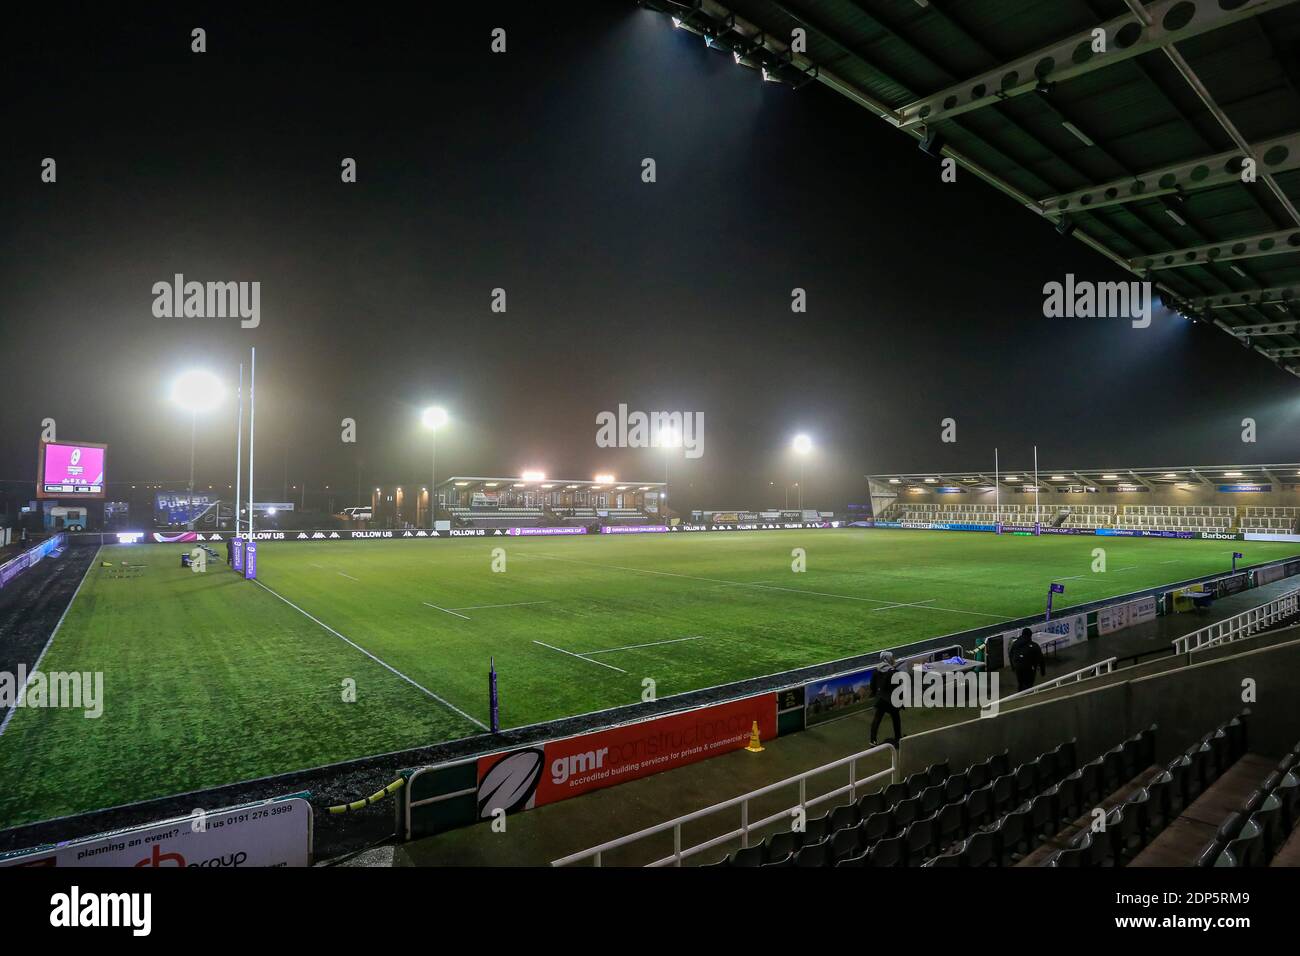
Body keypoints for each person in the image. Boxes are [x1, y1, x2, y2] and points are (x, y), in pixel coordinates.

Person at [869, 650, 903, 747]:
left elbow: (872, 686)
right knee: (896, 718)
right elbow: (898, 687)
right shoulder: (893, 671)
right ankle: (898, 738)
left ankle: (872, 740)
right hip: (891, 700)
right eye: (892, 658)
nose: (893, 660)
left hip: (880, 700)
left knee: (877, 719)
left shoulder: (876, 670)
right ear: (888, 659)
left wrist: (877, 694)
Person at [1009, 628, 1046, 692]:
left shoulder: (1015, 643)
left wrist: (1013, 667)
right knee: (1028, 685)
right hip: (1029, 668)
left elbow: (1010, 654)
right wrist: (1042, 671)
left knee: (1020, 683)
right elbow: (1041, 658)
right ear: (1030, 635)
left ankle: (1020, 696)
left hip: (1018, 667)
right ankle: (1028, 698)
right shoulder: (1034, 645)